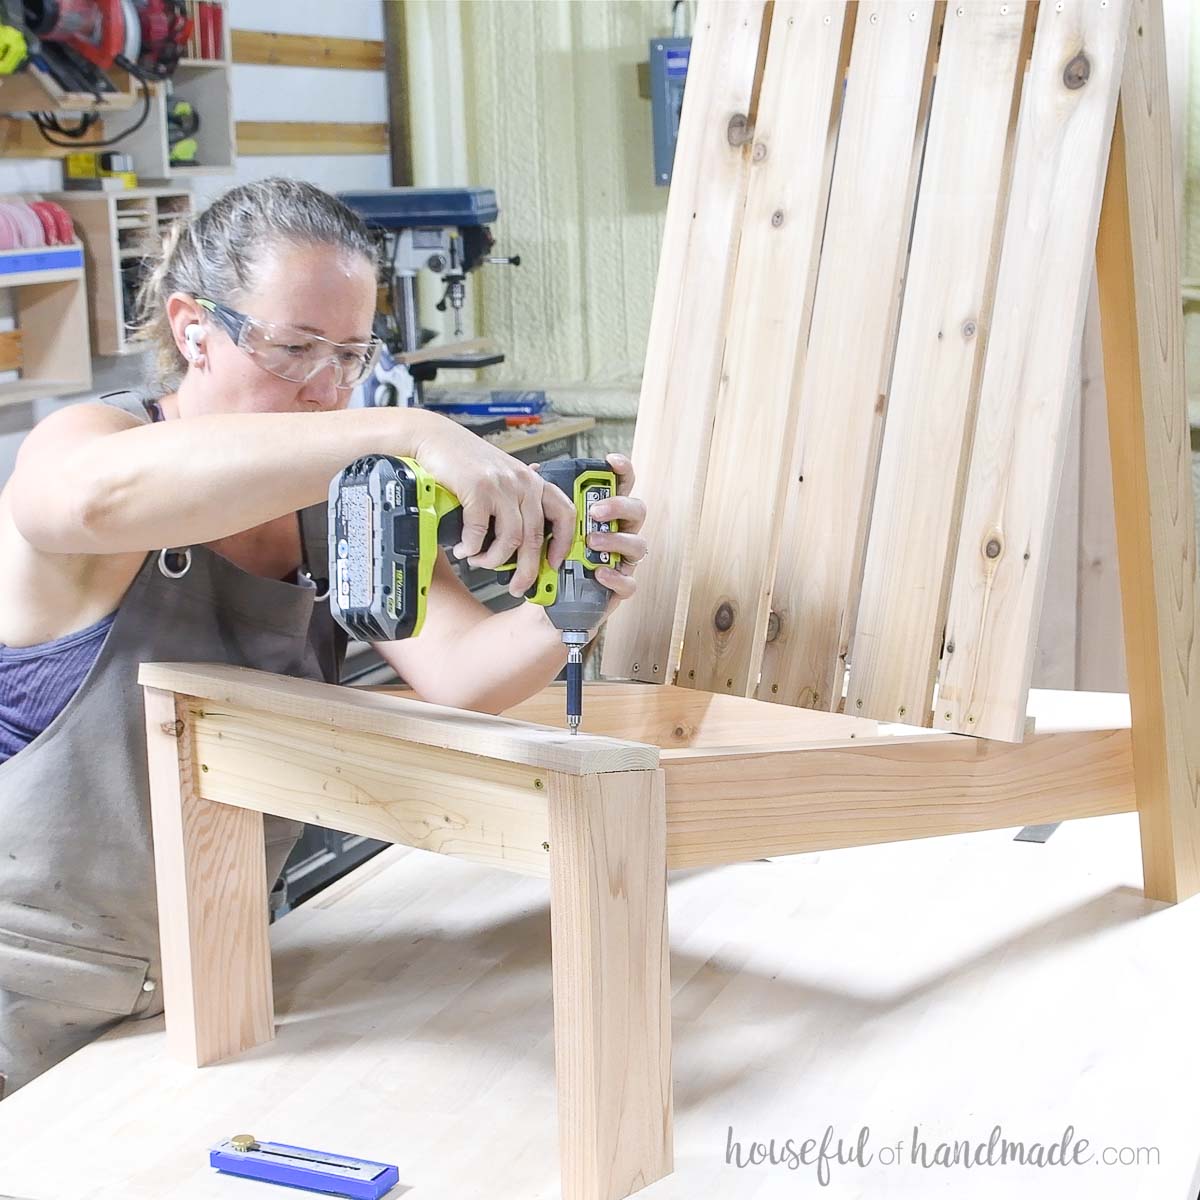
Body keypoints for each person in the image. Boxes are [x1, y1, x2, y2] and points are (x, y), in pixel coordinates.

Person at [0, 178, 648, 1097]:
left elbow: (462, 671)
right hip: (25, 992)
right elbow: (81, 502)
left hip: (213, 983)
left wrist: (575, 601)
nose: (325, 388)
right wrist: (404, 427)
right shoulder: (96, 443)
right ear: (194, 328)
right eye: (293, 348)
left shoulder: (336, 504)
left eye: (350, 354)